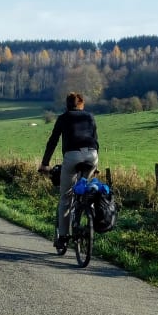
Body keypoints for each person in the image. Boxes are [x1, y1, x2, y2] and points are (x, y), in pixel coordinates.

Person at [39, 92, 99, 249]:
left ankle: (63, 237)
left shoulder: (63, 118)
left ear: (67, 105)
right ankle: (88, 209)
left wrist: (45, 164)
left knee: (66, 197)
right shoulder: (90, 117)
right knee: (85, 187)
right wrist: (95, 167)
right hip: (92, 155)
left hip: (73, 156)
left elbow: (52, 141)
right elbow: (96, 141)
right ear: (82, 104)